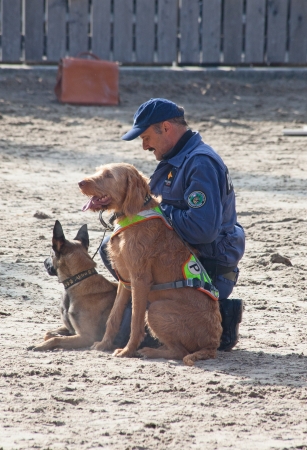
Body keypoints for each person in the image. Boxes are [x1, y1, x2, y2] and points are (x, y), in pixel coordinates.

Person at [100, 98, 245, 351]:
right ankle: (151, 309)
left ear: (166, 127)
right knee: (110, 244)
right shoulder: (175, 159)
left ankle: (220, 315)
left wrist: (155, 212)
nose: (144, 146)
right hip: (175, 264)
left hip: (206, 268)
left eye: (146, 137)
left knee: (127, 331)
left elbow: (203, 230)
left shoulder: (200, 163)